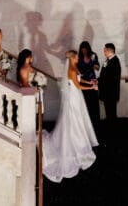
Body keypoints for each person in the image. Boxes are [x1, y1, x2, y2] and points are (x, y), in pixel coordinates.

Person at [42, 50, 99, 183]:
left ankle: (79, 140)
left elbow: (79, 79)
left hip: (76, 97)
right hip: (74, 97)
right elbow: (78, 86)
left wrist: (90, 82)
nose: (78, 57)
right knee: (75, 120)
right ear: (73, 58)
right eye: (77, 56)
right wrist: (92, 88)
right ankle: (76, 144)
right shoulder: (72, 70)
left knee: (77, 119)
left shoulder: (74, 68)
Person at [77, 41, 101, 129]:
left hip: (92, 80)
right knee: (85, 102)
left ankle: (95, 122)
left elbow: (98, 68)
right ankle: (86, 123)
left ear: (88, 49)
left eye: (85, 50)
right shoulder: (79, 57)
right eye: (82, 50)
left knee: (94, 103)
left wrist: (94, 65)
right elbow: (76, 70)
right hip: (83, 81)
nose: (84, 52)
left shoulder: (93, 55)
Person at [98, 43, 121, 133]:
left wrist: (99, 83)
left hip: (111, 93)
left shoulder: (115, 61)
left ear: (109, 51)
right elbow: (103, 75)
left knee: (111, 112)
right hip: (107, 92)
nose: (104, 52)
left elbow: (111, 79)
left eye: (105, 50)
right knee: (109, 112)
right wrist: (97, 80)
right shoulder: (107, 60)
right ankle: (110, 128)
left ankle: (113, 131)